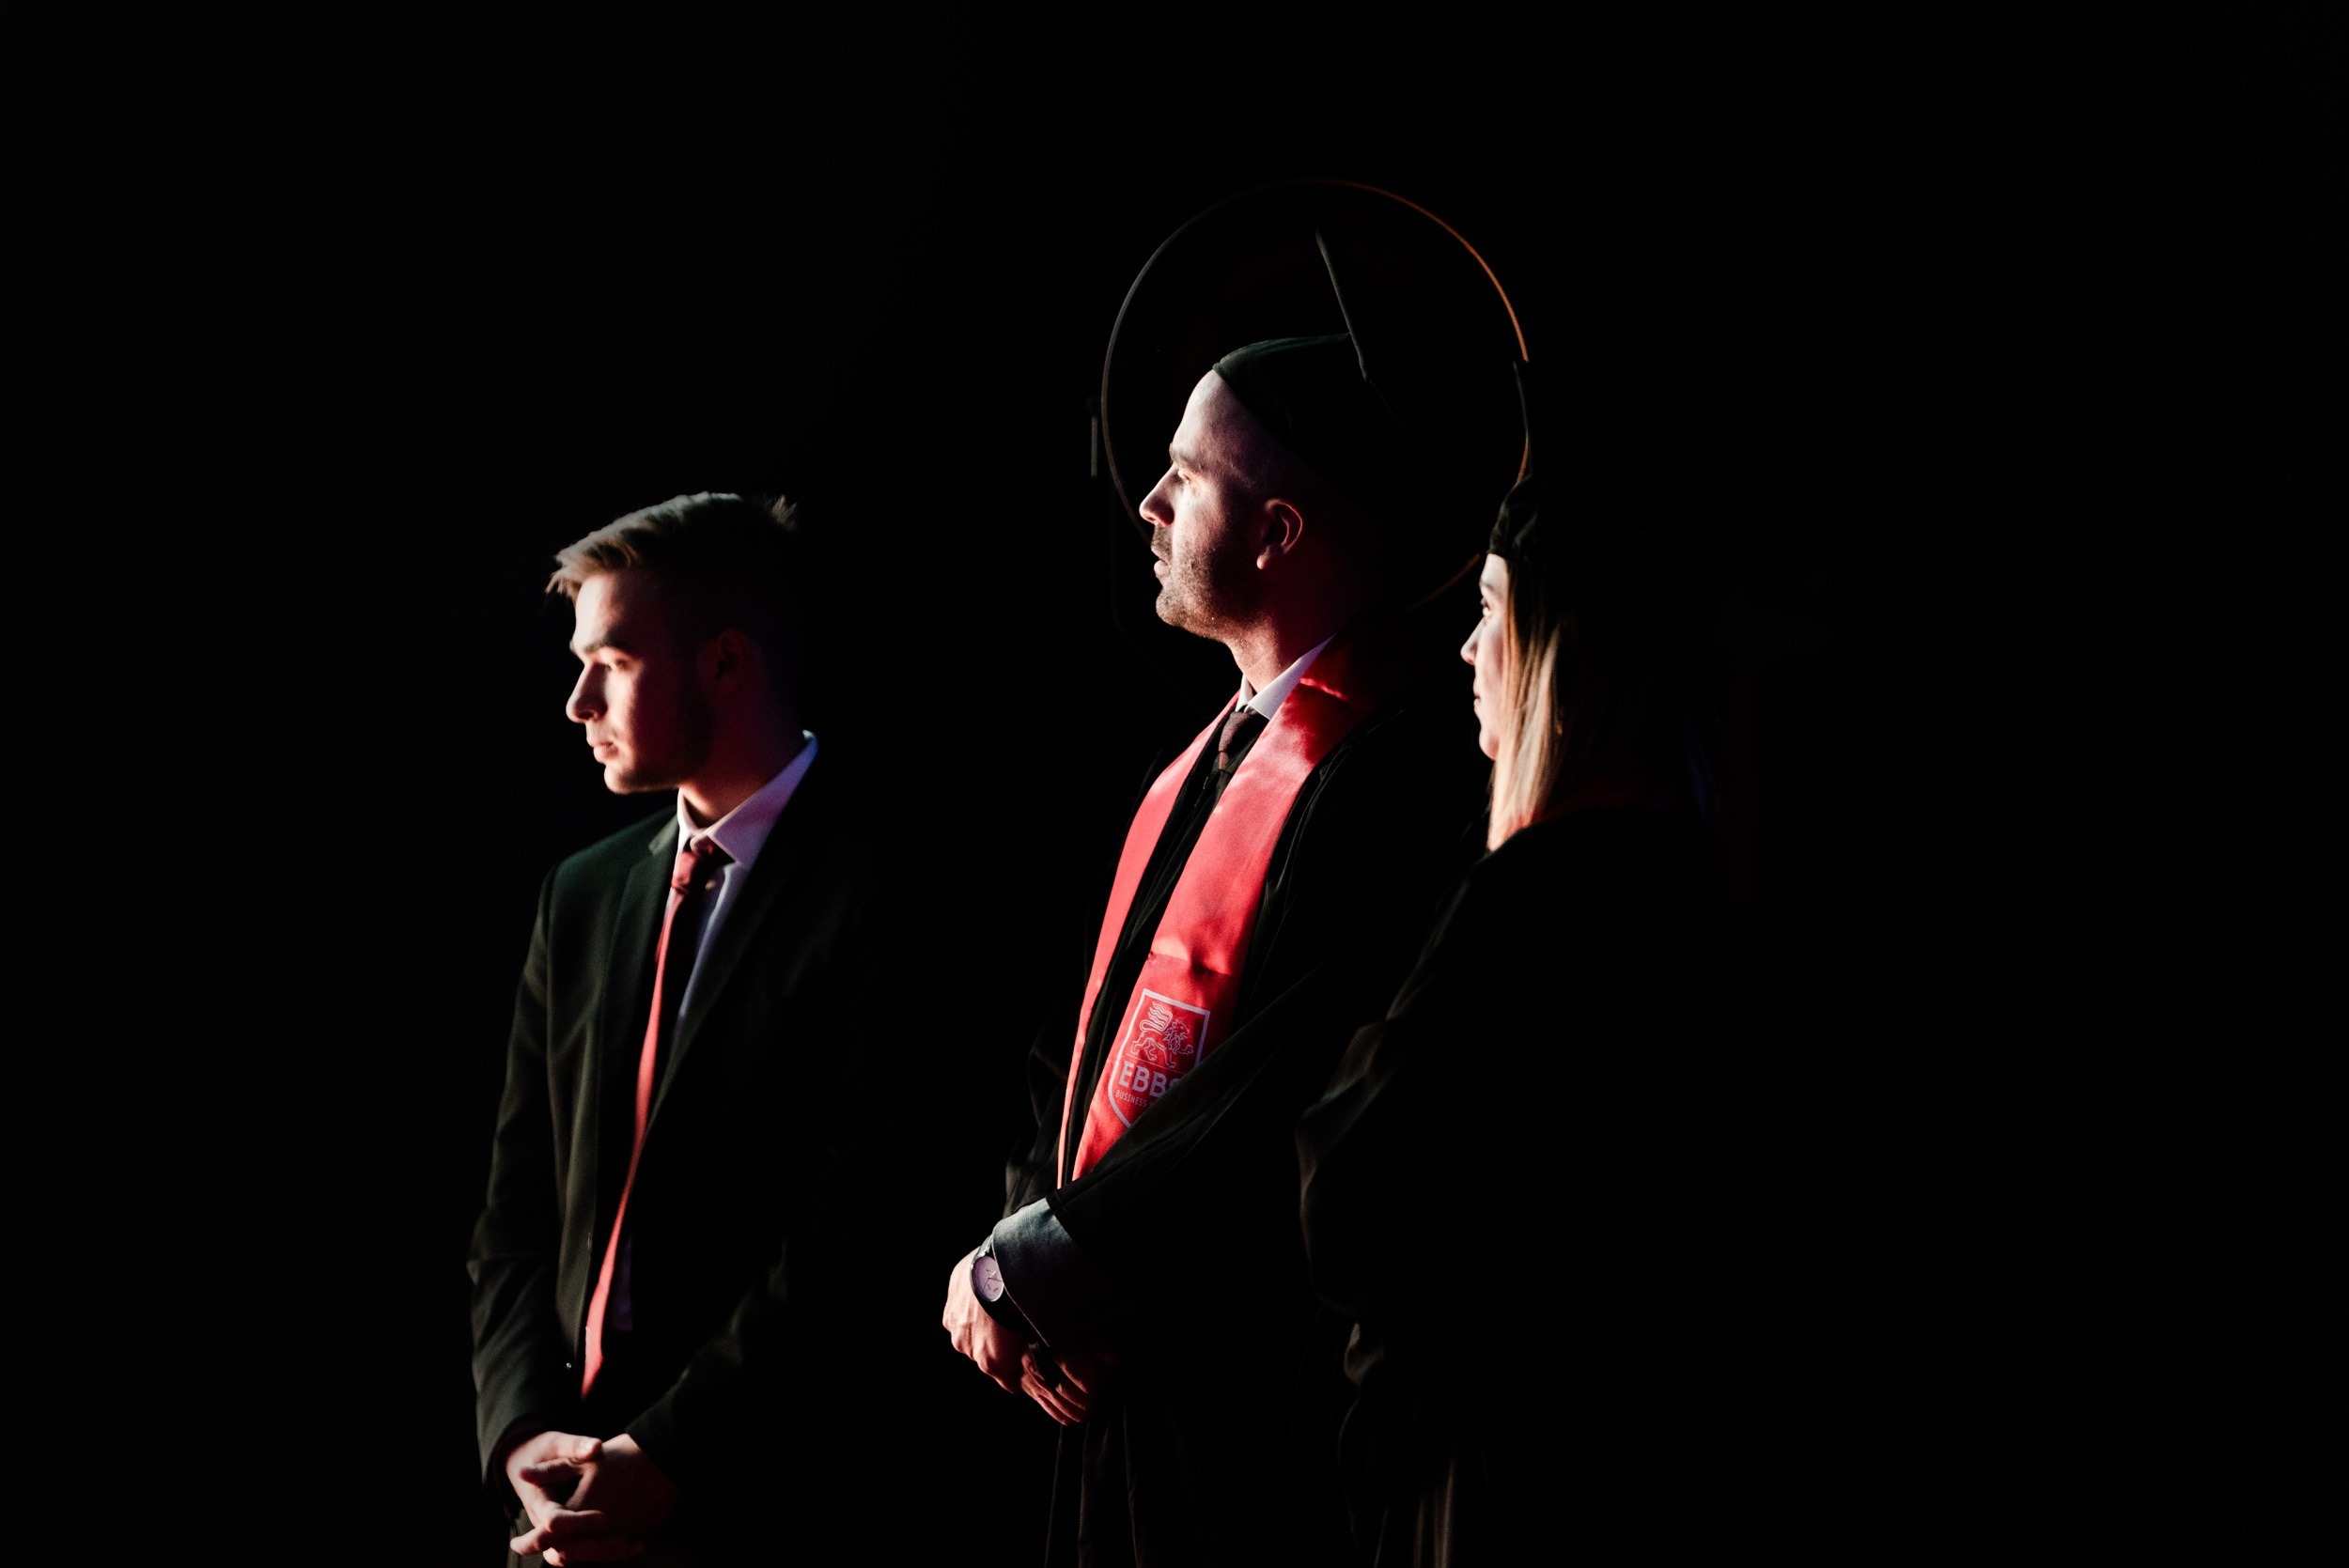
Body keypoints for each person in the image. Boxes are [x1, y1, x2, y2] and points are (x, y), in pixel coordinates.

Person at [939, 334, 1500, 1566]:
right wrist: (1022, 1236)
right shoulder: (1203, 755)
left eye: (1186, 476)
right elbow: (1074, 1046)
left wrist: (1061, 1256)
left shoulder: (1398, 766)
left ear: (1280, 532)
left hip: (1238, 1405)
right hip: (1099, 1385)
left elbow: (1283, 1082)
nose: (1146, 500)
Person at [471, 492, 922, 1564]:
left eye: (612, 661)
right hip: (565, 1493)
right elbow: (517, 1209)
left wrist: (668, 1452)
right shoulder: (578, 897)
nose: (576, 701)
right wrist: (523, 1437)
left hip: (778, 1491)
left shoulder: (890, 887)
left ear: (725, 664)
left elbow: (865, 1223)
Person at [1295, 474, 1738, 1561]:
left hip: (1509, 1468)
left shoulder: (1538, 899)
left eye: (1491, 610)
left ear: (1557, 653)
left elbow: (1354, 1197)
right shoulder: (1695, 883)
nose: (1464, 649)